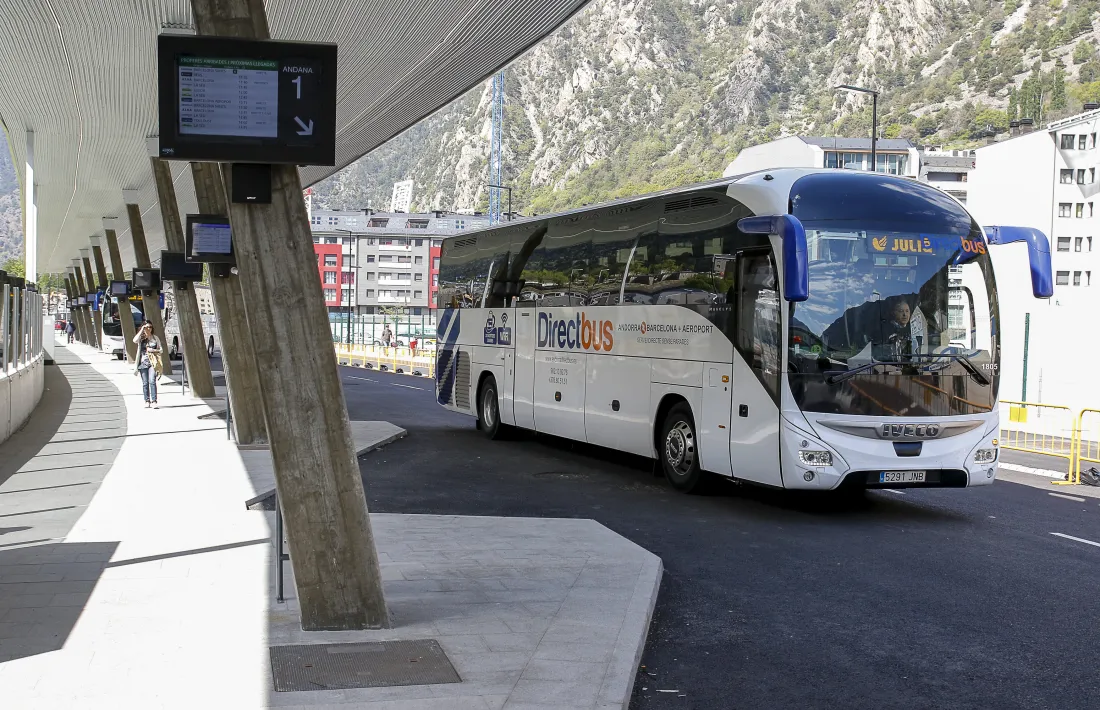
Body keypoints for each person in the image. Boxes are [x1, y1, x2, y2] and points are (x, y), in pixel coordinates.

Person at [133, 321, 162, 409]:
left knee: (152, 381)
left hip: (153, 363)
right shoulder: (141, 338)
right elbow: (134, 340)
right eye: (147, 327)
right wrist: (142, 329)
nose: (149, 329)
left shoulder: (155, 338)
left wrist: (153, 350)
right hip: (142, 363)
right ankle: (147, 400)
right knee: (145, 383)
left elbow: (161, 350)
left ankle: (154, 401)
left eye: (150, 327)